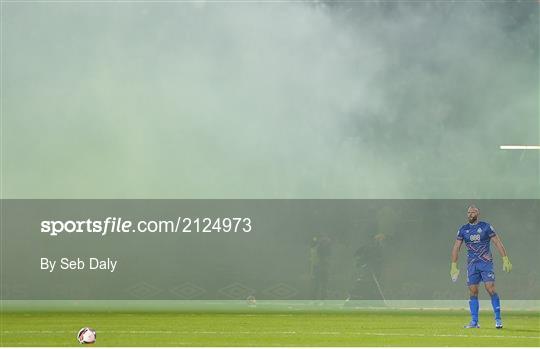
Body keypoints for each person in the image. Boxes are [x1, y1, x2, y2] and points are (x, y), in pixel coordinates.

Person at [450, 205, 512, 329]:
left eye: (472, 212)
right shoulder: (463, 229)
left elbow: (497, 242)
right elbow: (456, 247)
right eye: (468, 212)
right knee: (473, 292)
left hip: (485, 263)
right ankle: (474, 322)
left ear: (478, 214)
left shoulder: (485, 227)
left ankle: (498, 319)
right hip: (472, 265)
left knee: (490, 289)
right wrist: (453, 265)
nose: (470, 214)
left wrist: (505, 258)